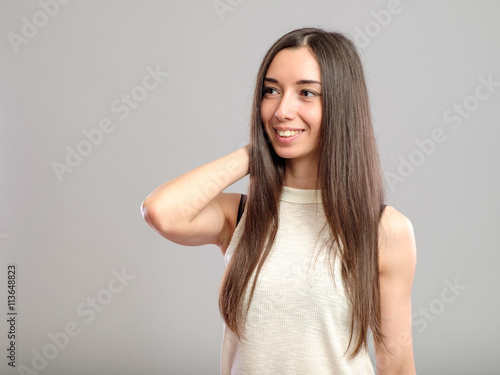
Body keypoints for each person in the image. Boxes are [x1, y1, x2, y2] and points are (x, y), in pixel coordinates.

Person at [141, 27, 417, 374]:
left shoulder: (384, 230)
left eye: (306, 93)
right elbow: (160, 211)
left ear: (342, 105)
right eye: (271, 91)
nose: (282, 110)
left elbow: (397, 364)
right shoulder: (241, 215)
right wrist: (251, 154)